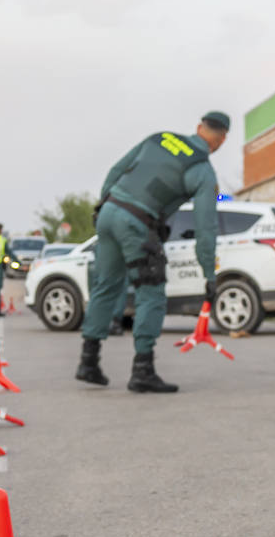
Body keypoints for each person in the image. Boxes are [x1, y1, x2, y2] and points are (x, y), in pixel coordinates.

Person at [76, 112, 230, 393]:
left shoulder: (160, 138)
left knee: (106, 285)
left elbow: (116, 171)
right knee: (151, 292)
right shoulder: (202, 171)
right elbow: (205, 227)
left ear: (199, 128)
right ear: (221, 140)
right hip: (136, 223)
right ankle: (142, 370)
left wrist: (103, 207)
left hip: (109, 212)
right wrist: (209, 274)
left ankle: (88, 361)